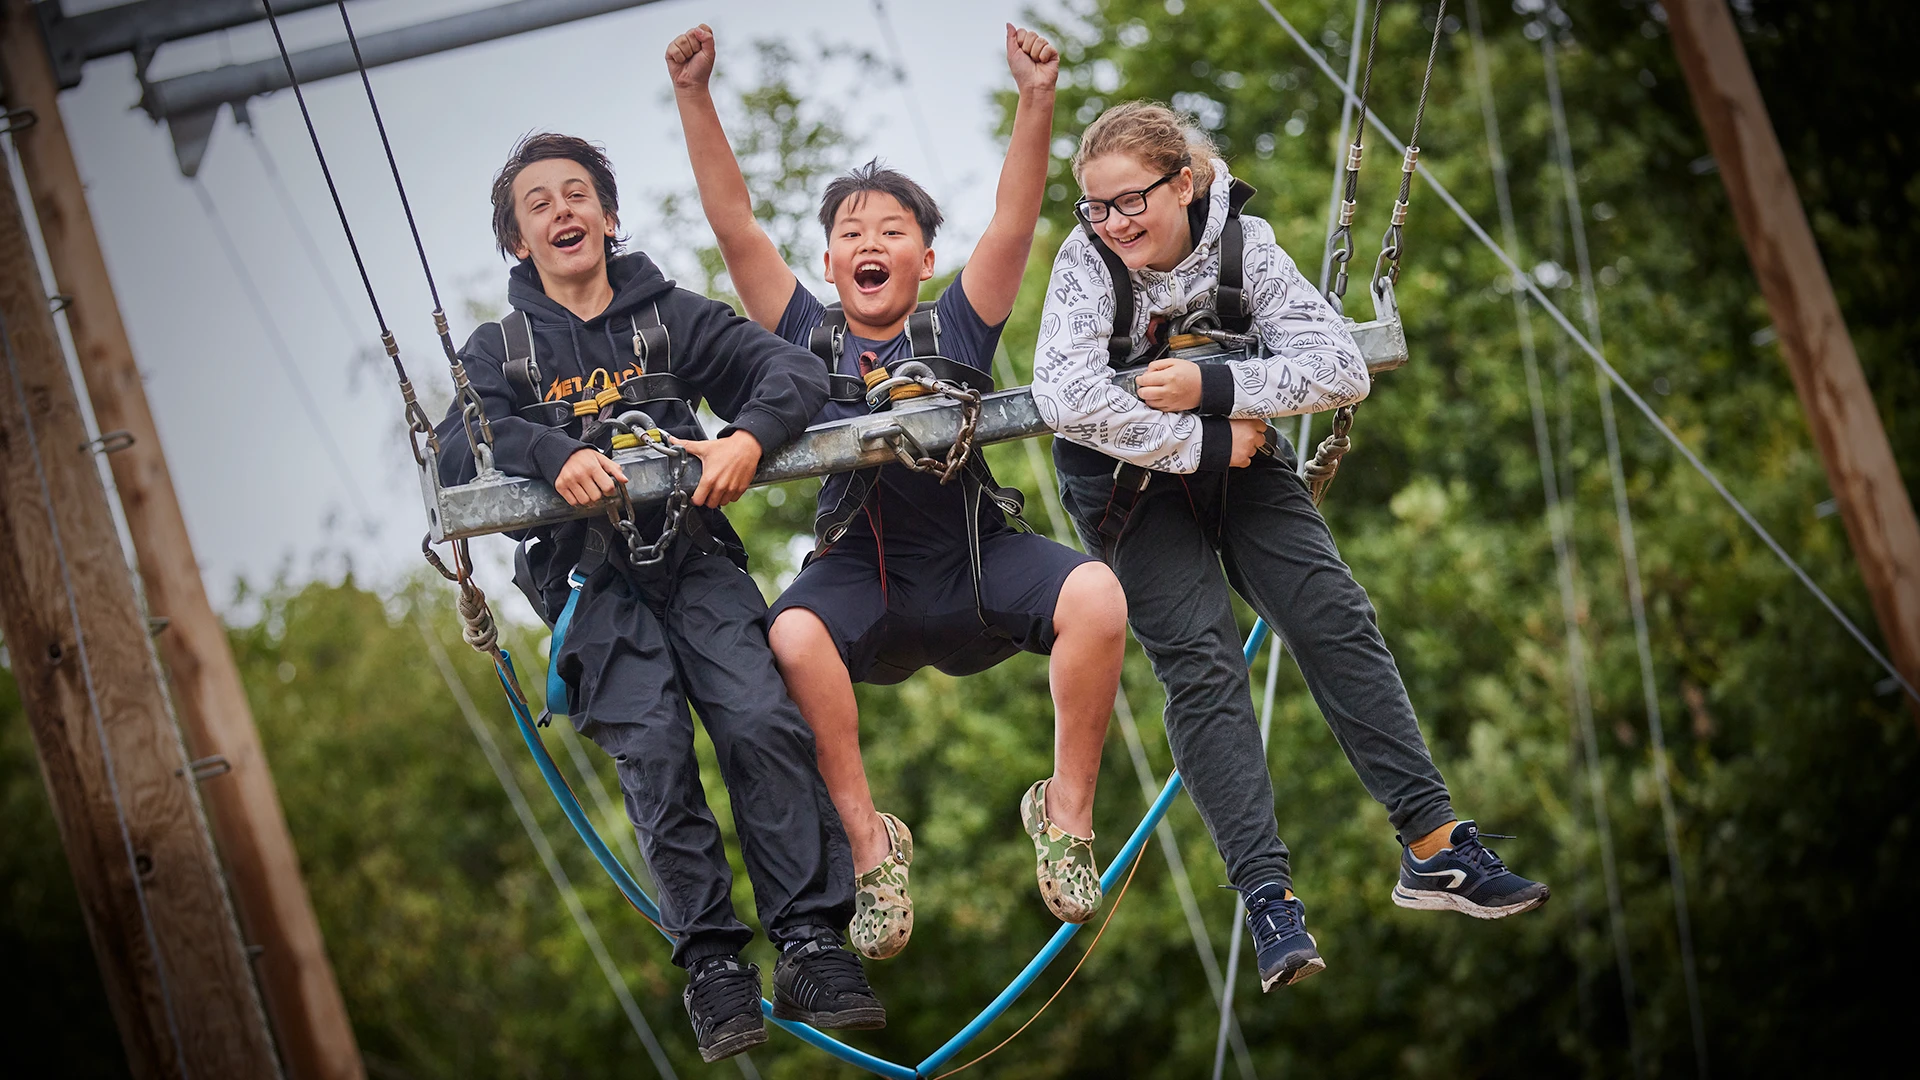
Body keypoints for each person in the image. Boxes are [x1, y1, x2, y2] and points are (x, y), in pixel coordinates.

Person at [1033, 101, 1550, 992]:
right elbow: (1065, 395)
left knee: (1334, 618)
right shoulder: (1087, 267)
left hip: (1239, 452)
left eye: (1132, 203)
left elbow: (1337, 365)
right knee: (1201, 663)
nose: (1115, 225)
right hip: (1131, 486)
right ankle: (1269, 899)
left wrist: (1216, 382)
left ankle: (1434, 846)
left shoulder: (1245, 244)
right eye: (1098, 208)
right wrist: (1200, 434)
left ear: (1183, 183)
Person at [667, 23, 1129, 961]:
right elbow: (735, 228)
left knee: (1096, 593)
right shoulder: (802, 333)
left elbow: (1012, 219)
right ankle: (871, 847)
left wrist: (1036, 98)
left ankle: (1068, 816)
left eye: (892, 233)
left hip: (977, 563)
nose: (869, 244)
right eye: (850, 235)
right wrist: (694, 97)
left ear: (923, 260)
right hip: (862, 579)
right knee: (788, 631)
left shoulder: (957, 321)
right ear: (831, 265)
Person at [435, 132, 883, 1063]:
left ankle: (808, 942)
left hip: (692, 558)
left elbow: (792, 371)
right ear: (519, 242)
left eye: (577, 195)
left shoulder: (666, 319)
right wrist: (554, 455)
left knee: (762, 720)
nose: (563, 212)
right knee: (655, 752)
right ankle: (716, 965)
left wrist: (746, 440)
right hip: (590, 582)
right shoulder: (501, 354)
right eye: (539, 205)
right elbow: (455, 449)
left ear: (606, 215)